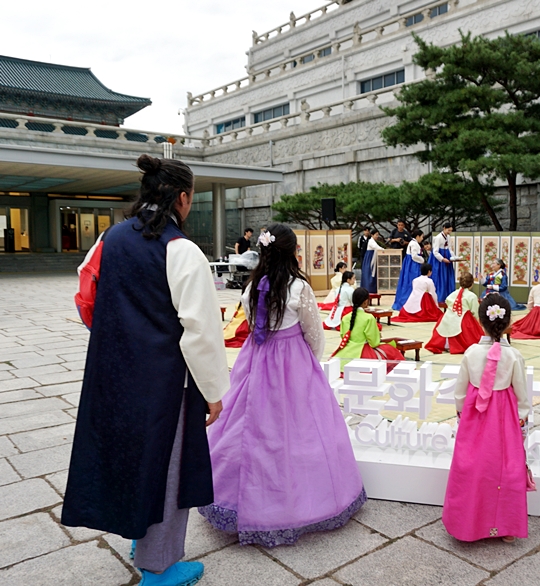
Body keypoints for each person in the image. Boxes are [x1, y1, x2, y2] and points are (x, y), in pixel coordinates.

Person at [64, 154, 229, 586]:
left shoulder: (109, 239)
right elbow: (201, 332)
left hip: (114, 372)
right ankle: (160, 567)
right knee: (171, 467)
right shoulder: (181, 250)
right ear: (182, 197)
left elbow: (86, 295)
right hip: (164, 381)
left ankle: (139, 538)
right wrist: (213, 390)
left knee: (128, 460)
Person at [199, 223, 366, 547]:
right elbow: (314, 333)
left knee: (249, 426)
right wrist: (309, 363)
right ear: (292, 253)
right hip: (291, 361)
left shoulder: (250, 288)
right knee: (300, 427)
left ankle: (233, 498)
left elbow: (250, 325)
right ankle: (301, 502)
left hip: (256, 359)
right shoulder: (298, 287)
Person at [442, 294, 530, 543]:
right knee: (506, 467)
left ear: (481, 322)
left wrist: (461, 413)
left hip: (475, 413)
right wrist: (522, 418)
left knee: (471, 466)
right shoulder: (513, 356)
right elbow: (522, 393)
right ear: (508, 321)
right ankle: (506, 526)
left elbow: (460, 390)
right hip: (504, 416)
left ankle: (467, 523)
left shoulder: (471, 353)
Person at [332, 287, 405, 371]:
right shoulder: (368, 318)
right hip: (363, 351)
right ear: (366, 302)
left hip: (346, 350)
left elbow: (343, 335)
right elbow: (374, 343)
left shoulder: (345, 318)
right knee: (391, 351)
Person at [426, 273, 483, 355]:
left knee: (445, 322)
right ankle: (458, 345)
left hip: (448, 317)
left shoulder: (453, 294)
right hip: (463, 321)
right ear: (471, 284)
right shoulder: (472, 296)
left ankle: (446, 344)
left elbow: (447, 301)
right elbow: (475, 312)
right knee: (468, 321)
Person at [392, 229, 425, 311]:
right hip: (413, 265)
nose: (422, 238)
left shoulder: (413, 243)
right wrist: (422, 260)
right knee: (411, 283)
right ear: (417, 236)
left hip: (410, 264)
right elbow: (414, 256)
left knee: (406, 283)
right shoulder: (414, 244)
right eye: (422, 237)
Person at [430, 223, 456, 299]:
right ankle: (440, 297)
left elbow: (450, 249)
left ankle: (448, 295)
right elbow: (435, 251)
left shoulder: (448, 237)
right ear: (444, 228)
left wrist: (454, 257)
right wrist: (442, 259)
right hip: (439, 260)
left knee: (448, 276)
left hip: (446, 257)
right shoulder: (438, 237)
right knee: (440, 277)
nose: (449, 232)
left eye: (451, 230)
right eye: (448, 230)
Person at [361, 229, 382, 294]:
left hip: (373, 257)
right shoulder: (371, 241)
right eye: (376, 235)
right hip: (370, 259)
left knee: (373, 273)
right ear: (372, 235)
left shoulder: (373, 241)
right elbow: (377, 247)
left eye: (378, 235)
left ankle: (373, 288)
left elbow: (378, 247)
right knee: (369, 273)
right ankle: (368, 289)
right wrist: (383, 249)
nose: (377, 236)